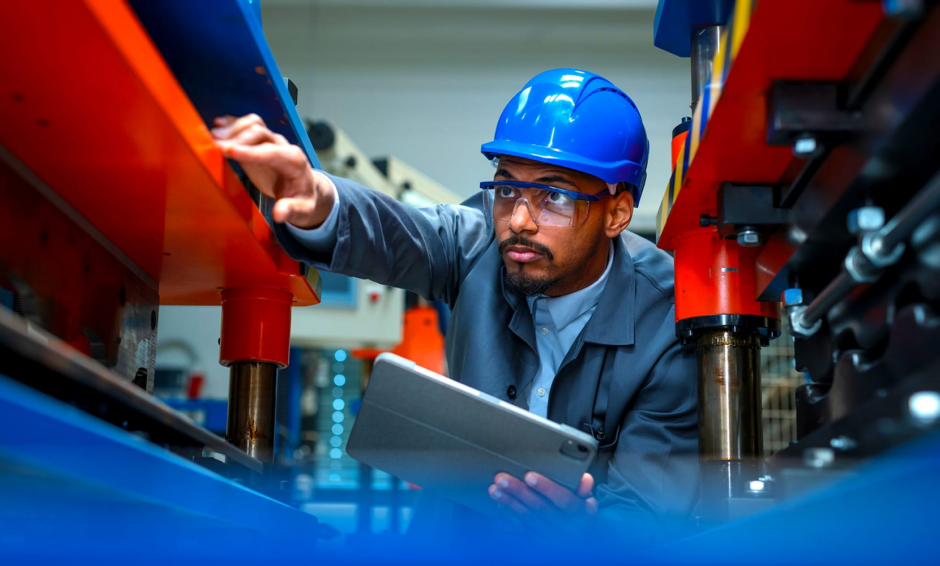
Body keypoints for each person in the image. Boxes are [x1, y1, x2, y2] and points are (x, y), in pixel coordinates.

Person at [212, 68, 698, 544]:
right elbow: (399, 233)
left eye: (554, 196)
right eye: (507, 188)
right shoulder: (481, 243)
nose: (519, 221)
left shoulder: (668, 320)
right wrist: (318, 198)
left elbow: (648, 515)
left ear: (617, 212)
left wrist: (584, 532)